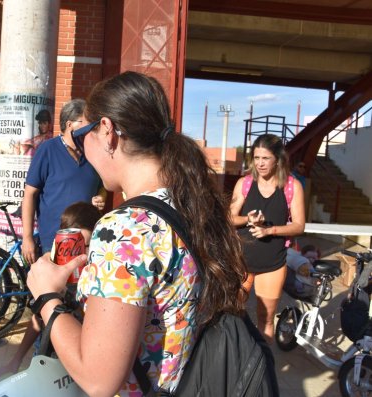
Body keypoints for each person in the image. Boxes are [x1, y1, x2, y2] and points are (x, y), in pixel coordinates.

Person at [25, 71, 247, 395]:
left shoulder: (124, 229)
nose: (82, 144)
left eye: (85, 132)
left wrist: (46, 297)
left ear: (107, 132)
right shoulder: (187, 205)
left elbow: (99, 379)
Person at [0, 201, 101, 380]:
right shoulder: (52, 275)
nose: (78, 255)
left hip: (79, 370)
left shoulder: (103, 283)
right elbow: (37, 320)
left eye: (83, 247)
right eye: (71, 248)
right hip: (45, 361)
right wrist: (16, 360)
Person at [230, 134, 305, 342]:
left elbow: (299, 226)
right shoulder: (244, 183)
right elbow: (229, 217)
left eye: (265, 158)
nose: (260, 163)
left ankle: (264, 368)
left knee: (266, 319)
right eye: (256, 158)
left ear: (278, 159)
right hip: (240, 261)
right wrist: (248, 218)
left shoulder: (292, 186)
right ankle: (237, 359)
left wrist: (269, 231)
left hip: (273, 263)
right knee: (232, 313)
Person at [21, 98, 105, 265]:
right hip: (54, 240)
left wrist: (101, 197)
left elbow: (103, 186)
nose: (89, 129)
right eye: (84, 123)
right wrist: (28, 238)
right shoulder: (48, 149)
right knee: (56, 290)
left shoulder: (93, 152)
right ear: (69, 125)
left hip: (88, 241)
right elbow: (29, 195)